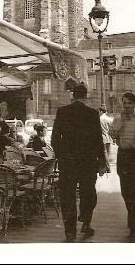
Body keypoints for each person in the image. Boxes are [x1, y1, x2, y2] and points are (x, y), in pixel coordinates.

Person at [52, 83, 108, 242]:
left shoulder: (62, 112)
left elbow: (55, 139)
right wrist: (102, 160)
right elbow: (98, 140)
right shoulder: (92, 114)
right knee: (88, 193)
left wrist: (63, 156)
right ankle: (86, 221)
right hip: (88, 162)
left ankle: (70, 231)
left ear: (73, 95)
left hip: (67, 163)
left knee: (67, 196)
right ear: (86, 96)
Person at [109, 92, 135, 242]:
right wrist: (121, 122)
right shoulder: (117, 119)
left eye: (130, 103)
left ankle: (134, 225)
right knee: (125, 191)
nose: (127, 106)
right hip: (123, 156)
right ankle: (132, 215)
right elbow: (113, 135)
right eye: (125, 103)